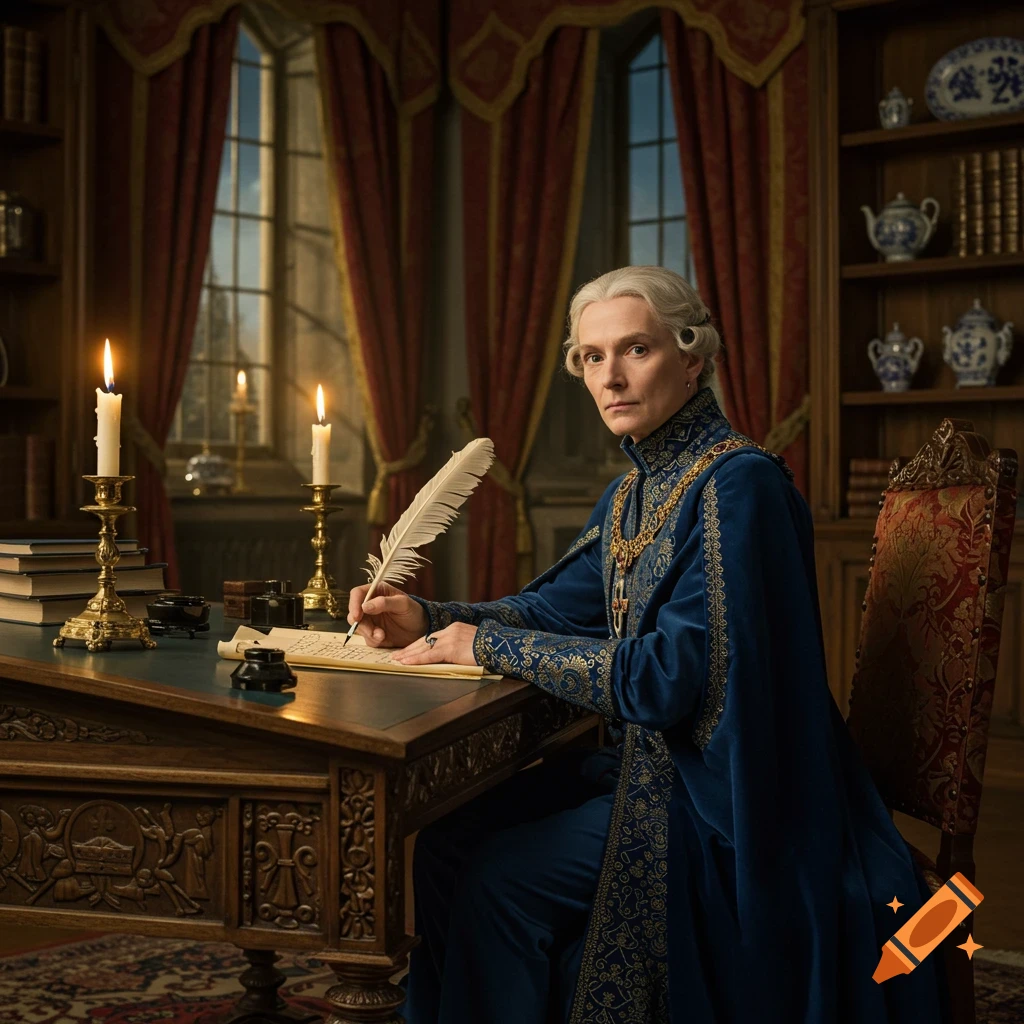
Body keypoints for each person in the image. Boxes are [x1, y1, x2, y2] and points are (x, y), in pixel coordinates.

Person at [346, 266, 947, 1024]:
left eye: (636, 349)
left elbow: (667, 680)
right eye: (592, 358)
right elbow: (551, 611)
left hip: (729, 799)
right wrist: (427, 617)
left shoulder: (738, 486)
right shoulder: (634, 489)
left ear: (693, 360)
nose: (611, 376)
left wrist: (486, 648)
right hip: (645, 768)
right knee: (444, 842)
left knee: (498, 879)